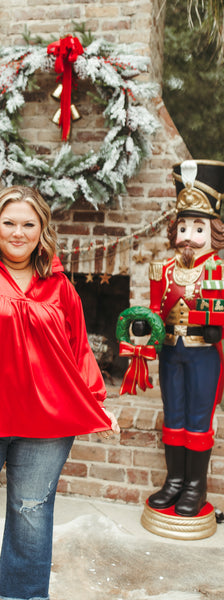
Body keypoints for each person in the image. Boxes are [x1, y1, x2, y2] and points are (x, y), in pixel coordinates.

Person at [0, 185, 119, 600]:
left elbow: (78, 351)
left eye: (28, 224)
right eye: (8, 222)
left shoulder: (60, 287)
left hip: (46, 427)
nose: (17, 232)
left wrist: (95, 405)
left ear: (42, 230)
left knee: (31, 518)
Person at [135, 160, 224, 518]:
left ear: (214, 231)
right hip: (172, 351)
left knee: (199, 418)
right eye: (183, 226)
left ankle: (195, 486)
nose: (188, 235)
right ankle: (173, 481)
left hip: (205, 353)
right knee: (172, 414)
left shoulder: (219, 269)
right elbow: (156, 307)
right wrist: (143, 327)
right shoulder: (164, 269)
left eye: (197, 227)